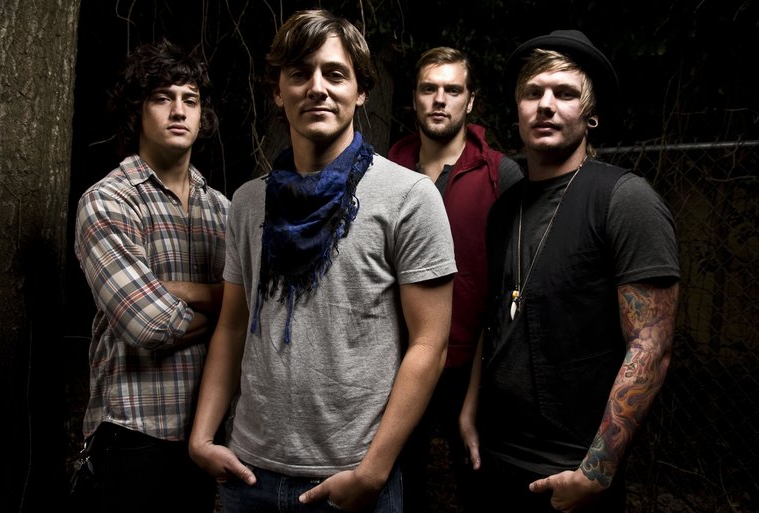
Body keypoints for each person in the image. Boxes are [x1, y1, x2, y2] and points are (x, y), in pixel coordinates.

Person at [188, 9, 456, 513]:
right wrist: (202, 437)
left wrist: (373, 472)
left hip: (351, 479)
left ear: (361, 91)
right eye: (299, 73)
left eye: (334, 73)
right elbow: (232, 324)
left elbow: (430, 344)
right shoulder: (248, 202)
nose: (317, 88)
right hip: (248, 474)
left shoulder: (410, 197)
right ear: (277, 91)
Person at [459, 30, 680, 512]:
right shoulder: (505, 209)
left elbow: (651, 347)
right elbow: (493, 318)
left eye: (564, 93)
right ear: (518, 109)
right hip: (492, 456)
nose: (545, 105)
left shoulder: (625, 199)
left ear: (590, 114)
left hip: (569, 467)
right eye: (533, 92)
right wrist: (469, 411)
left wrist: (596, 471)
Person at [73, 38, 229, 513]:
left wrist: (178, 290)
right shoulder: (108, 201)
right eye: (162, 98)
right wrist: (227, 309)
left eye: (190, 100)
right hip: (133, 434)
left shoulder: (224, 210)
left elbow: (257, 313)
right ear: (137, 112)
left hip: (209, 435)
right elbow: (148, 324)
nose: (178, 111)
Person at [387, 46, 521, 512]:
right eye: (429, 88)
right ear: (414, 98)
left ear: (471, 100)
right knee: (399, 484)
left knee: (479, 485)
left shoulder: (501, 174)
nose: (440, 99)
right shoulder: (387, 168)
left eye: (452, 89)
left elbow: (511, 282)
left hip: (472, 364)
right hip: (397, 359)